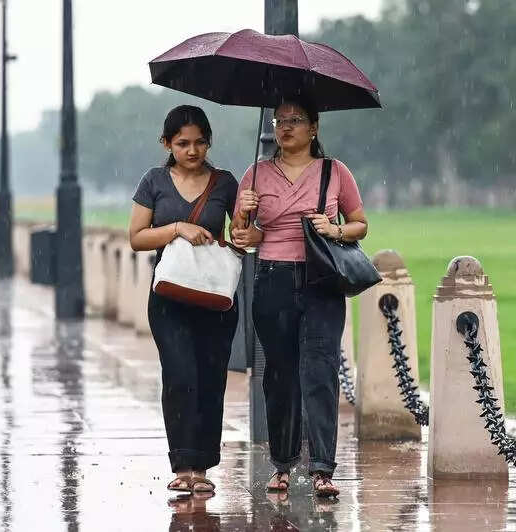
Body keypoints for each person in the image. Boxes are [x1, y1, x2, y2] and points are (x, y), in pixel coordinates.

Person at [231, 97, 369, 498]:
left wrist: (335, 229)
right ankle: (283, 464)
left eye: (295, 120)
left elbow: (360, 224)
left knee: (320, 372)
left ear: (314, 127)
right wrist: (243, 211)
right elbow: (240, 236)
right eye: (279, 121)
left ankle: (323, 467)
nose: (285, 127)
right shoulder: (255, 175)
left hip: (321, 280)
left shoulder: (334, 172)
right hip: (272, 279)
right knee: (280, 375)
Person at [129, 105, 239, 494]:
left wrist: (246, 223)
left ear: (209, 141)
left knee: (211, 378)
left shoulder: (226, 183)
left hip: (213, 297)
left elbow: (243, 235)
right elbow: (137, 237)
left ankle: (203, 468)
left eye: (200, 142)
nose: (192, 151)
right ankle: (183, 464)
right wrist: (177, 228)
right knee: (180, 375)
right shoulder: (154, 182)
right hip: (169, 298)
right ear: (167, 143)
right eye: (183, 143)